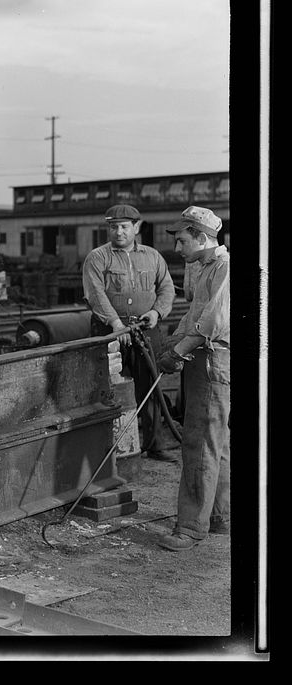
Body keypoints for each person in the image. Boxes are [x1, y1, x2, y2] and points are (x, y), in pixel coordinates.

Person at [155, 206, 229, 552]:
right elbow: (195, 315)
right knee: (218, 444)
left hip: (213, 361)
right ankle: (219, 517)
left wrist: (178, 351)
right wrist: (174, 341)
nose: (178, 247)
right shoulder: (205, 267)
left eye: (183, 240)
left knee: (198, 443)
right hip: (207, 358)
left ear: (202, 237)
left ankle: (189, 528)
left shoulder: (225, 269)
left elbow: (212, 323)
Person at [82, 203, 178, 460]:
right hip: (109, 331)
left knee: (150, 388)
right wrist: (115, 324)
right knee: (106, 388)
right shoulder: (98, 257)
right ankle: (107, 450)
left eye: (124, 227)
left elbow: (167, 289)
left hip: (146, 330)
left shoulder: (153, 256)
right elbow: (95, 294)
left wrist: (157, 312)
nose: (118, 232)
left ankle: (154, 445)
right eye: (113, 227)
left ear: (136, 227)